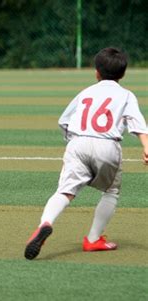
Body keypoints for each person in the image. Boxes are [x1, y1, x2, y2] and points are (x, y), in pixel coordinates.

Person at [24, 47, 148, 260]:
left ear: (96, 72)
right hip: (107, 146)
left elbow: (63, 120)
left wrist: (74, 143)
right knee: (111, 192)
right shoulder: (126, 95)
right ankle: (93, 239)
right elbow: (137, 123)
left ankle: (45, 223)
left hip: (78, 143)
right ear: (123, 74)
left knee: (64, 191)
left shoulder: (86, 92)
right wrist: (146, 146)